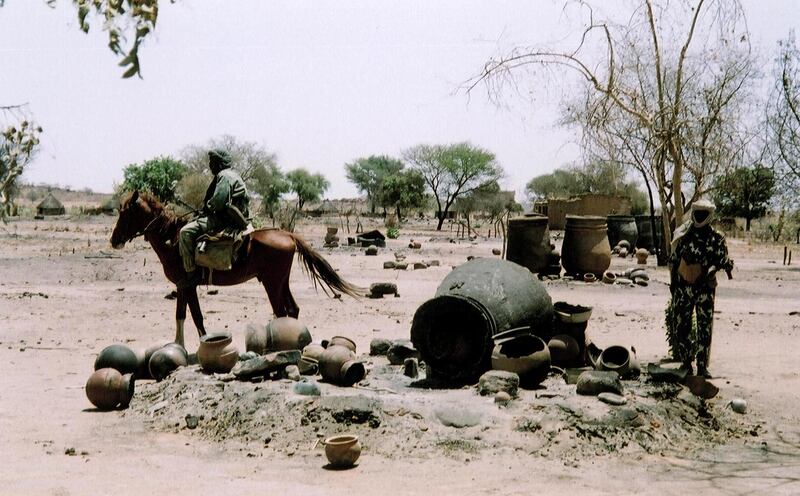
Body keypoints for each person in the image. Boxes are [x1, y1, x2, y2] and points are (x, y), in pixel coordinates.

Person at [667, 199, 733, 378]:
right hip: (683, 287)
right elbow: (674, 261)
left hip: (705, 288)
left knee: (705, 327)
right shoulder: (683, 234)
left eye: (704, 214)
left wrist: (713, 269)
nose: (699, 216)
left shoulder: (717, 238)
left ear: (710, 215)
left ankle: (702, 366)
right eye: (697, 213)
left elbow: (723, 261)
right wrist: (673, 285)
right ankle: (687, 363)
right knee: (682, 325)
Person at [178, 149, 250, 288]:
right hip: (234, 216)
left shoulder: (224, 176)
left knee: (185, 232)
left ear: (219, 163)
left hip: (226, 219)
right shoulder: (231, 174)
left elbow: (218, 201)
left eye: (212, 162)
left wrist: (207, 208)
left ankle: (192, 274)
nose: (210, 165)